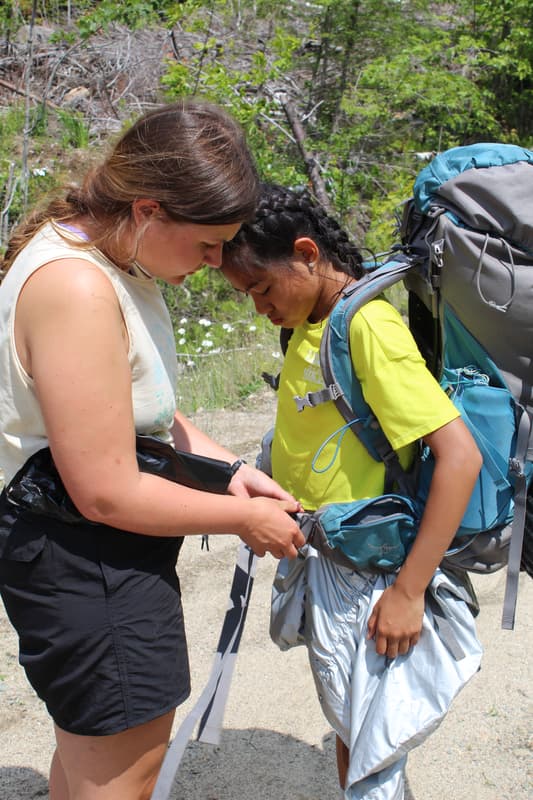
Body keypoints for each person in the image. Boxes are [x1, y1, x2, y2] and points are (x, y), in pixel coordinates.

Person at [0, 102, 306, 800]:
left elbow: (143, 407)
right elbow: (104, 489)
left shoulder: (102, 256)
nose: (211, 264)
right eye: (206, 245)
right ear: (146, 209)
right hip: (87, 558)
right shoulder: (77, 286)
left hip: (82, 550)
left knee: (90, 759)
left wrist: (232, 474)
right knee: (125, 776)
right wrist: (240, 521)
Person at [221, 183, 484, 800]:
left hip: (370, 574)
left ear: (307, 254)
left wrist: (410, 592)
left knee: (373, 746)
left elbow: (460, 456)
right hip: (333, 560)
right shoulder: (313, 324)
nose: (259, 307)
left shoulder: (366, 325)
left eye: (262, 288)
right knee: (355, 722)